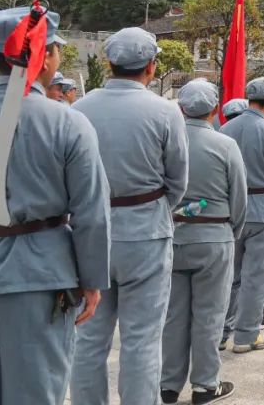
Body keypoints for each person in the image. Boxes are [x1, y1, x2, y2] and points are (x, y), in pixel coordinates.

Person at [0, 6, 109, 405]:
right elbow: (91, 211)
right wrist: (91, 280)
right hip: (40, 279)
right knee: (36, 394)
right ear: (47, 56)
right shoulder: (68, 123)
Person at [71, 27, 189, 405]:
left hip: (89, 233)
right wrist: (153, 211)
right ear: (151, 67)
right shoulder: (166, 112)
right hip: (146, 233)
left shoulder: (79, 109)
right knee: (142, 339)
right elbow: (178, 181)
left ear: (108, 63)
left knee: (88, 337)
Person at [161, 79, 246, 405]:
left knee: (173, 316)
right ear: (214, 110)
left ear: (181, 108)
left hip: (172, 236)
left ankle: (169, 385)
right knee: (210, 315)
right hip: (214, 237)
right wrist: (230, 232)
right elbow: (239, 197)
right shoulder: (225, 145)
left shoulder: (167, 142)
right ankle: (205, 385)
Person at [219, 77, 264, 354]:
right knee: (256, 275)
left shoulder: (226, 129)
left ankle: (220, 332)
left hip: (230, 210)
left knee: (230, 275)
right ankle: (246, 335)